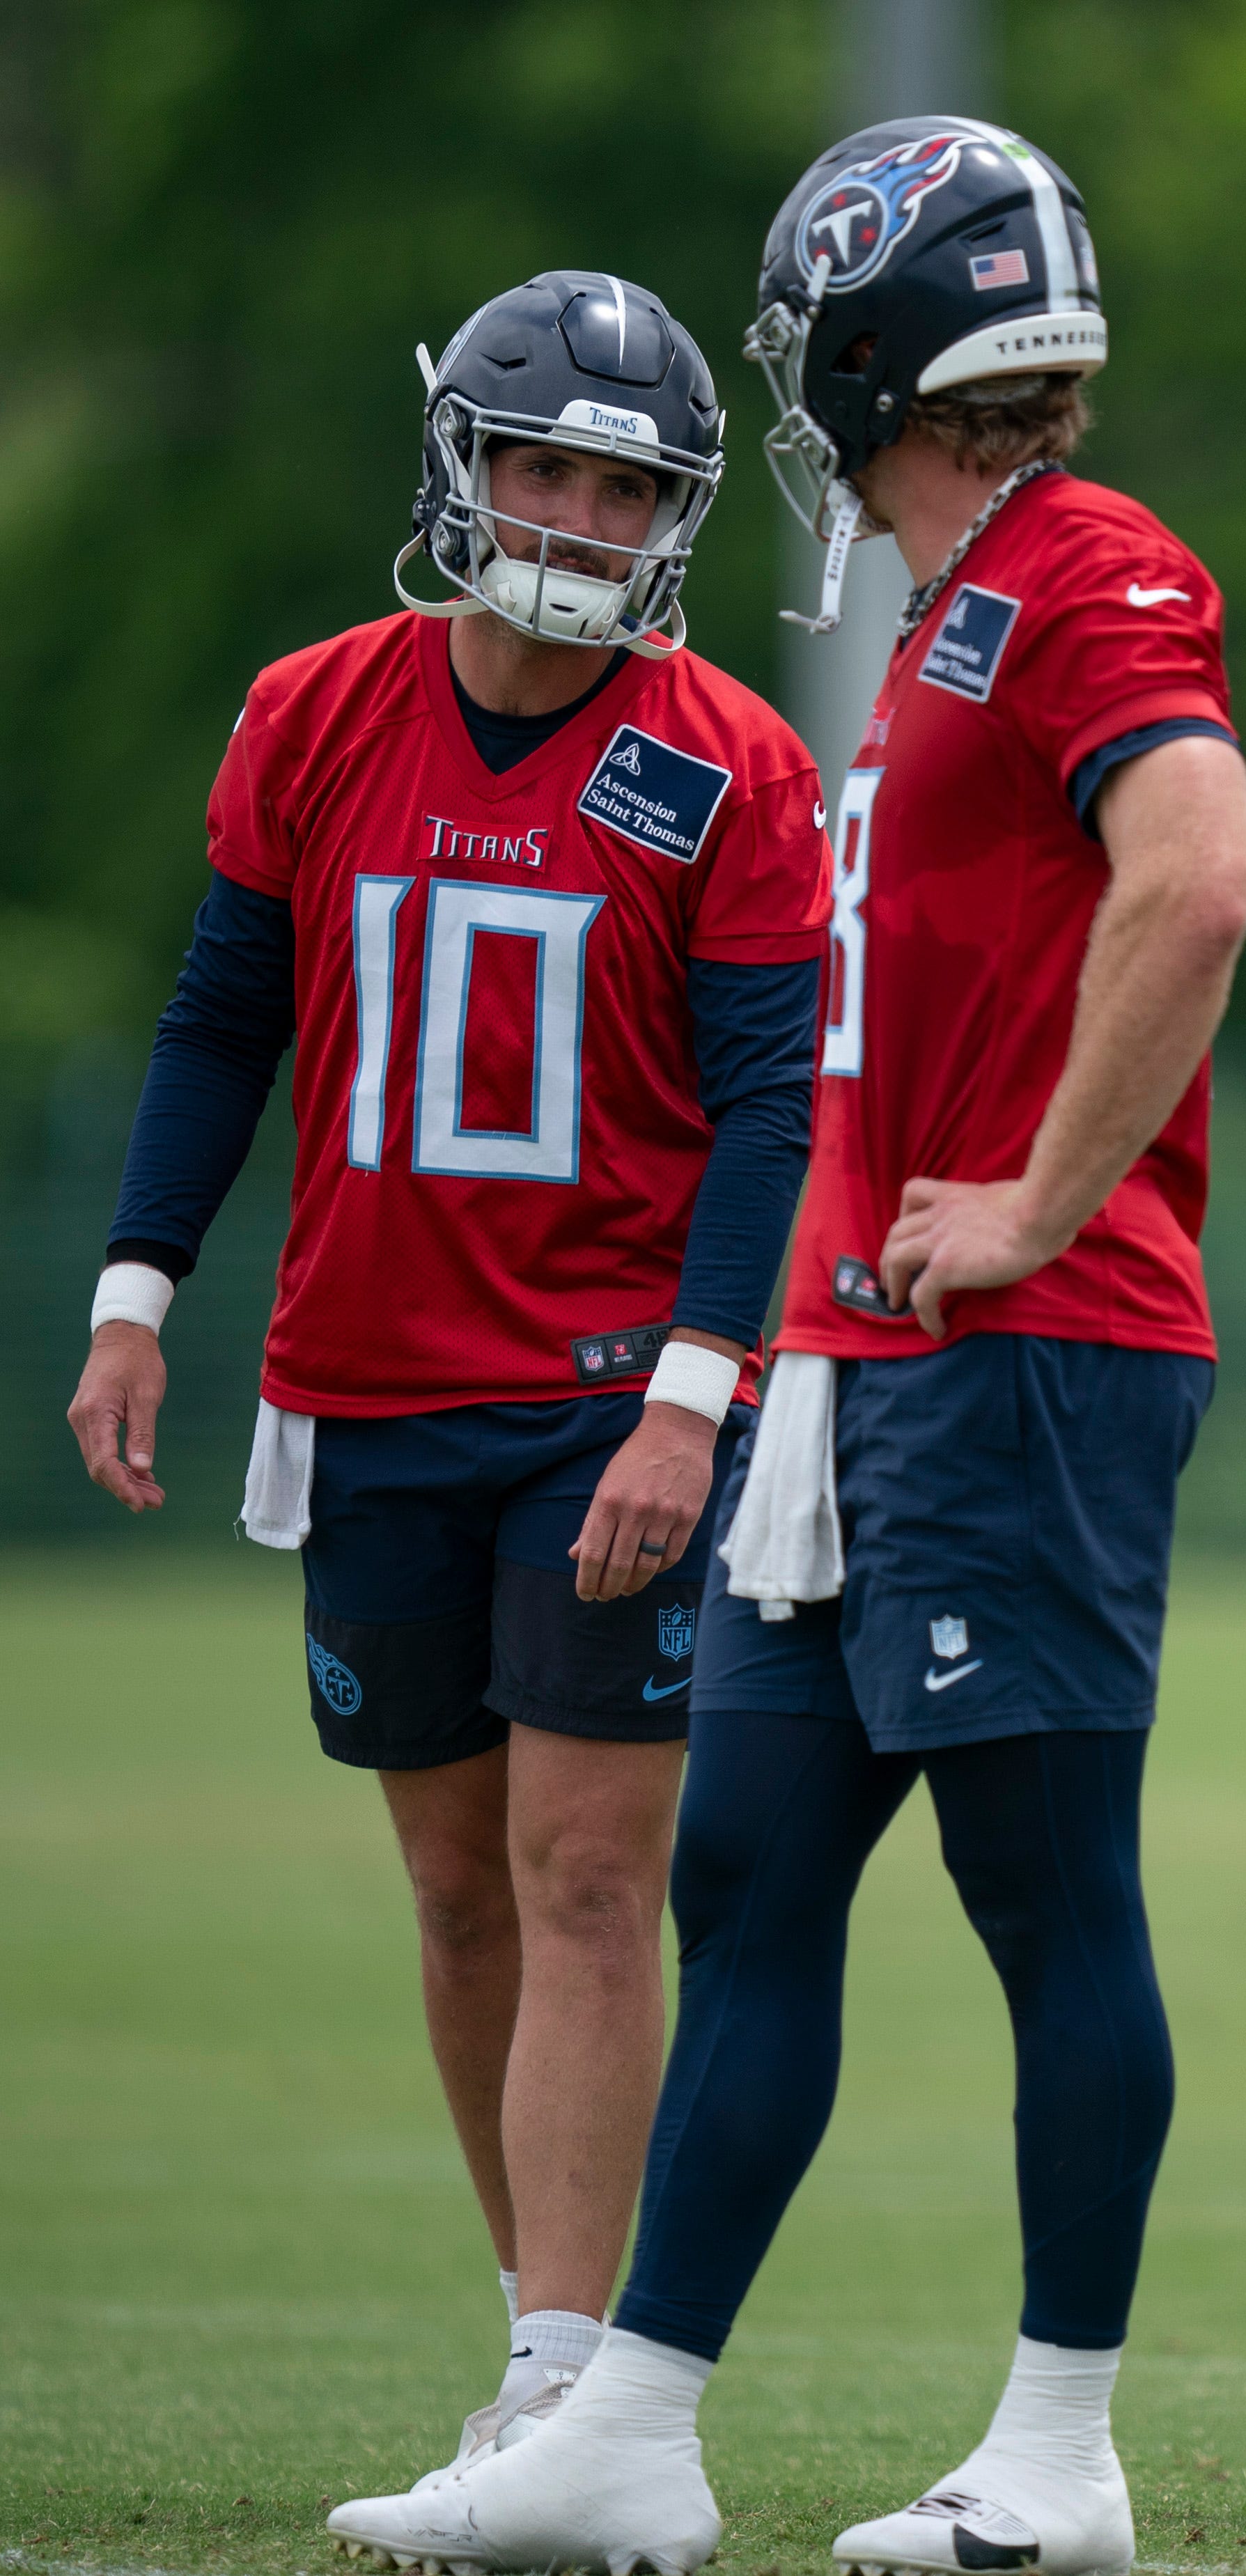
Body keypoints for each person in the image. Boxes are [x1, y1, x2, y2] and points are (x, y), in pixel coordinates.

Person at [326, 118, 1246, 2576]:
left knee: (1050, 1891)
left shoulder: (1086, 566)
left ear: (874, 328)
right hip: (865, 1370)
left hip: (1028, 1342)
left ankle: (1062, 2454)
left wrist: (1044, 1194)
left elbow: (1203, 878)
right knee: (741, 1865)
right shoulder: (954, 606)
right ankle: (631, 2427)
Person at [66, 272, 830, 2483]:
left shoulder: (725, 763)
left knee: (590, 1866)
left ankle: (577, 2389)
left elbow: (773, 1103)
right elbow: (223, 1014)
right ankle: (539, 2338)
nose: (580, 516)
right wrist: (140, 1283)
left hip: (608, 1386)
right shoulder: (312, 711)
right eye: (546, 466)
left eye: (627, 485)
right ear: (464, 464)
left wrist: (699, 1387)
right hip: (369, 1378)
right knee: (457, 1880)